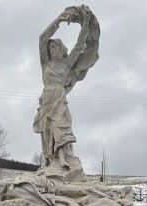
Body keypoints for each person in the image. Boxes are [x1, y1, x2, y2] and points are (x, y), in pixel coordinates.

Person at [33, 5, 99, 169]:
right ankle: (48, 161)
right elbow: (42, 38)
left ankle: (62, 157)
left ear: (61, 49)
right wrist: (59, 20)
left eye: (54, 47)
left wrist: (85, 24)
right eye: (50, 48)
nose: (51, 49)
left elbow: (79, 45)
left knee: (59, 125)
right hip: (46, 97)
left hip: (59, 97)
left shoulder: (67, 63)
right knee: (46, 130)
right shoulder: (45, 63)